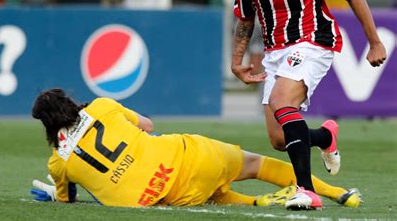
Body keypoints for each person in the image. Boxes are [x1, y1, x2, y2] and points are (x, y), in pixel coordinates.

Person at [229, 0, 386, 210]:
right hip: (274, 52)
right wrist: (237, 62)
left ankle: (307, 192)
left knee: (280, 101)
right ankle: (326, 136)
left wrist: (374, 42)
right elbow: (246, 18)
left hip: (312, 41)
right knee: (279, 138)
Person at [30, 88, 361, 209]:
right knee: (257, 165)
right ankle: (337, 193)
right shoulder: (102, 106)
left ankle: (257, 202)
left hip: (170, 195)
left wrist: (55, 194)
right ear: (70, 102)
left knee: (215, 196)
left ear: (46, 125)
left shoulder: (59, 162)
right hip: (190, 155)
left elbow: (66, 199)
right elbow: (148, 126)